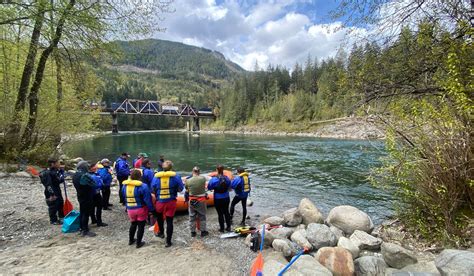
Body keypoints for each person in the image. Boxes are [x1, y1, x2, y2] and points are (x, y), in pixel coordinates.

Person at [151, 160, 184, 247]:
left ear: (162, 168)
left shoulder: (156, 177)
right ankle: (168, 241)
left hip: (160, 202)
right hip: (171, 202)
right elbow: (180, 189)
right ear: (171, 168)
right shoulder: (176, 176)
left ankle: (161, 233)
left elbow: (153, 189)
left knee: (160, 219)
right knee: (169, 221)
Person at [122, 169, 155, 248]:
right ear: (140, 177)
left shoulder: (124, 186)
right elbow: (147, 199)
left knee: (133, 224)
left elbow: (124, 197)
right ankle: (138, 243)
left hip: (130, 209)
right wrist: (151, 209)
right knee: (141, 226)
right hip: (141, 209)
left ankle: (131, 240)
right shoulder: (143, 186)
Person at [73, 161, 96, 237]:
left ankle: (81, 227)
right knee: (86, 213)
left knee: (82, 212)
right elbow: (93, 184)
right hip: (86, 195)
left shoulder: (75, 174)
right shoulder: (84, 175)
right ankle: (85, 230)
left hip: (80, 195)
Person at [39, 158, 65, 225]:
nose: (59, 164)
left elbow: (58, 180)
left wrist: (62, 174)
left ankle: (61, 217)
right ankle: (53, 220)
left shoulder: (55, 171)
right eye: (58, 163)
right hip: (51, 191)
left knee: (60, 203)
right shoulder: (47, 173)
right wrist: (52, 194)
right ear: (53, 164)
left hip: (57, 189)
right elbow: (48, 185)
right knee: (53, 205)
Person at [185, 166, 209, 237]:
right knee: (202, 216)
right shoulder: (203, 179)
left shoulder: (188, 180)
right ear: (199, 172)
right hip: (201, 200)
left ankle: (193, 232)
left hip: (192, 200)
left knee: (192, 216)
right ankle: (203, 231)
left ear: (193, 172)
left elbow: (186, 188)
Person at [207, 164, 232, 232]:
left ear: (216, 170)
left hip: (218, 198)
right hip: (226, 197)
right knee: (226, 212)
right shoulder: (227, 178)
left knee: (220, 213)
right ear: (223, 170)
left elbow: (209, 187)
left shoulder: (214, 179)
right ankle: (228, 227)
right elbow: (230, 186)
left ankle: (222, 228)